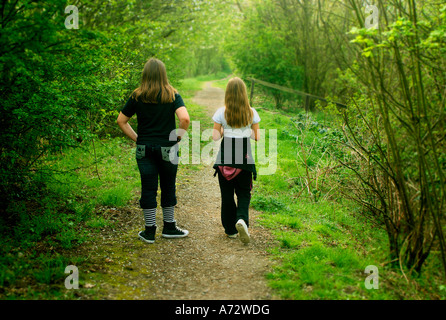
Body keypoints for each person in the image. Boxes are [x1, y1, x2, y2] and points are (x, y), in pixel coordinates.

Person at [117, 58, 190, 244]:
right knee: (168, 186)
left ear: (145, 74)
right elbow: (185, 119)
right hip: (168, 148)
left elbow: (121, 121)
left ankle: (149, 231)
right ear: (163, 74)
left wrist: (138, 138)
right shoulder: (172, 94)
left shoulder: (137, 95)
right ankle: (169, 227)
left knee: (148, 188)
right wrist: (176, 138)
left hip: (144, 149)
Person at [212, 77, 261, 244]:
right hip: (244, 160)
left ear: (228, 93)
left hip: (225, 159)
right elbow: (256, 137)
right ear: (244, 93)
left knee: (226, 195)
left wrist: (226, 130)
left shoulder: (221, 112)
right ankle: (241, 219)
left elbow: (215, 136)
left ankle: (230, 230)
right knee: (244, 193)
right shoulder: (252, 112)